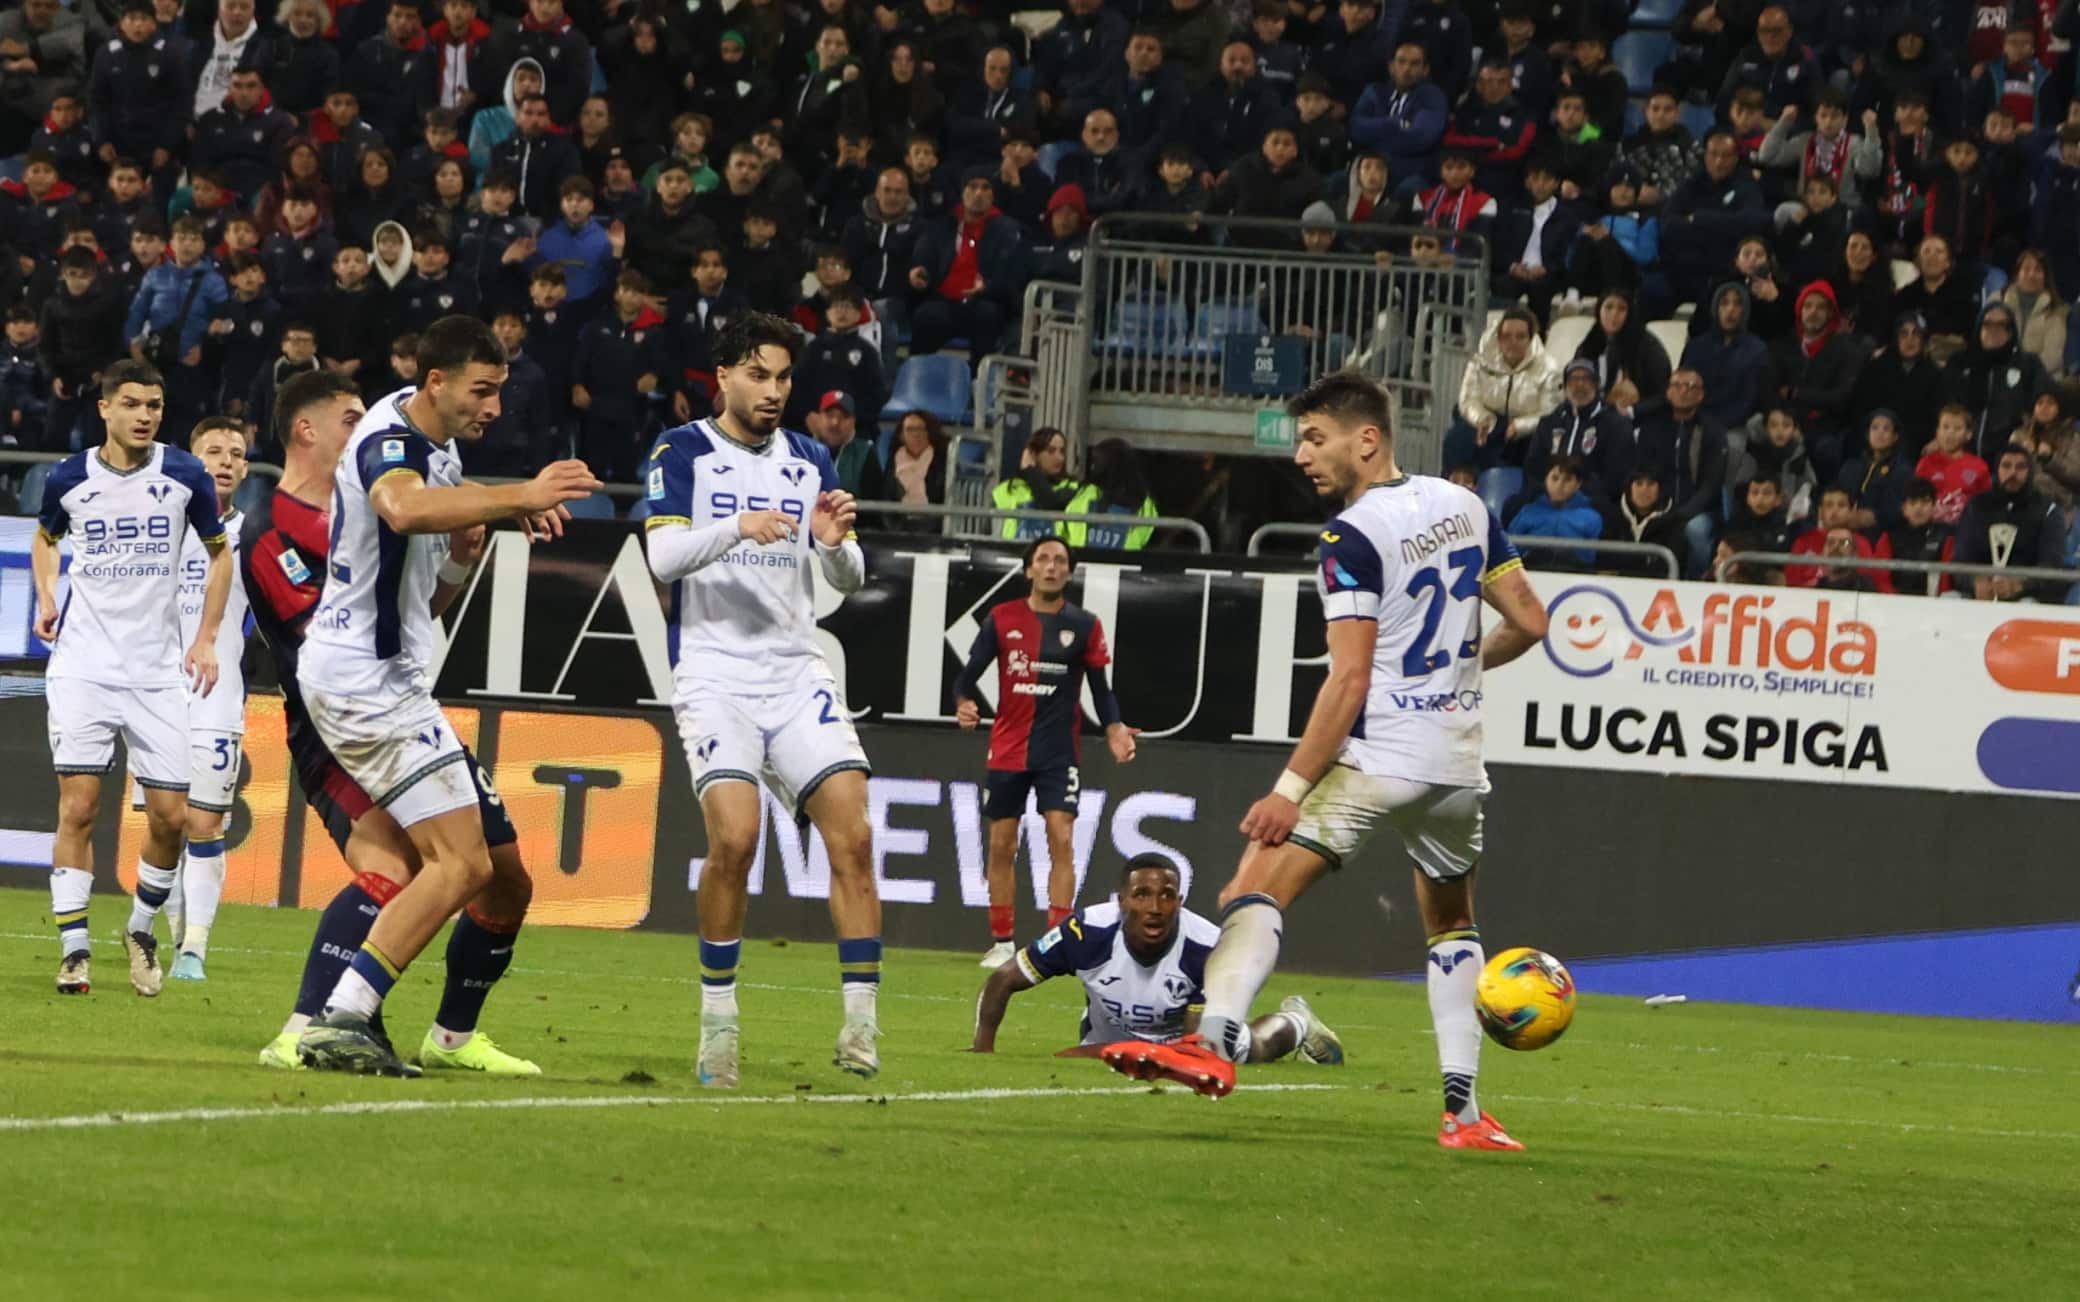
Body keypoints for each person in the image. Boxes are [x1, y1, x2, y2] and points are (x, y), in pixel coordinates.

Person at [1099, 370, 1550, 1153]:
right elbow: (1532, 622)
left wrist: (1289, 789)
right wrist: (1453, 675)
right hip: (1456, 763)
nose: (1301, 455)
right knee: (1450, 924)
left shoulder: (1350, 536)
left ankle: (1212, 1041)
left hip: (1381, 757)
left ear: (1366, 439)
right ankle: (1464, 1113)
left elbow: (1347, 680)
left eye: (1315, 438)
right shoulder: (1468, 506)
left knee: (1251, 885)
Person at [292, 318, 600, 1075]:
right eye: (482, 390)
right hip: (367, 684)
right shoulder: (387, 443)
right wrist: (514, 494)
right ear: (437, 383)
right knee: (460, 866)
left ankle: (450, 1036)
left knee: (502, 873)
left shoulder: (438, 447)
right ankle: (339, 1018)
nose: (494, 406)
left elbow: (430, 599)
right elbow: (400, 506)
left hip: (392, 680)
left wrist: (477, 540)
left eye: (500, 390)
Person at [247, 370, 541, 1074]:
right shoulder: (269, 528)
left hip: (403, 703)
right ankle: (307, 1025)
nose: (366, 431)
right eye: (349, 419)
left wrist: (459, 565)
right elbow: (329, 637)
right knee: (395, 867)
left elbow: (413, 615)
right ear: (306, 431)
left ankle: (453, 1036)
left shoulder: (365, 517)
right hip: (339, 724)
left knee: (506, 879)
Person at [641, 311, 882, 1088]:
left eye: (782, 376)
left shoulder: (814, 457)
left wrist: (836, 543)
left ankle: (860, 1028)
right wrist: (739, 527)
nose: (774, 390)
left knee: (853, 839)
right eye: (758, 374)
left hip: (795, 671)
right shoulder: (682, 451)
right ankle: (718, 1027)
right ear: (723, 377)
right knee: (736, 843)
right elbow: (665, 555)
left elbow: (848, 576)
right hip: (714, 674)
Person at [34, 360, 231, 996]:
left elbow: (219, 553)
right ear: (105, 410)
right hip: (84, 667)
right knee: (80, 807)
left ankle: (141, 929)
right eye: (132, 404)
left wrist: (204, 637)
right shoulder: (68, 477)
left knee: (172, 817)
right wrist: (45, 596)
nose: (144, 414)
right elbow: (45, 537)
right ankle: (74, 950)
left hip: (154, 672)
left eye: (154, 404)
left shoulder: (184, 474)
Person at [970, 853, 1343, 1066]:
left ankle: (1296, 1021)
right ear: (1121, 902)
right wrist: (982, 1053)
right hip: (1109, 1036)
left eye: (1167, 896)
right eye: (1142, 895)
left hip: (1187, 1041)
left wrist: (1097, 1053)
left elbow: (1195, 1051)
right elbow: (1003, 979)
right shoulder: (1086, 932)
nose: (1154, 908)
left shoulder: (1206, 948)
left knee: (1255, 1048)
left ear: (1180, 902)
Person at [954, 535, 1138, 966]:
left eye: (1060, 560)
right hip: (1008, 749)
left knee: (1062, 838)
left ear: (1069, 573)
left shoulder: (1086, 625)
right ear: (1029, 570)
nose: (1052, 566)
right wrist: (963, 704)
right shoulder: (1002, 619)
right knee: (1002, 844)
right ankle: (1002, 943)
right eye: (1044, 559)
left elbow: (1101, 690)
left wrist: (1114, 729)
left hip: (1058, 752)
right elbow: (966, 678)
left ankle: (1057, 943)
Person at [154, 417, 251, 980]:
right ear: (190, 459)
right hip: (158, 696)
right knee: (165, 824)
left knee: (206, 825)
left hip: (218, 696)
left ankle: (194, 948)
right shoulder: (163, 529)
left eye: (236, 453)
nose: (225, 461)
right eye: (213, 450)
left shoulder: (254, 536)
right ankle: (163, 938)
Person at [1955, 445, 2067, 600]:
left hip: (2028, 597)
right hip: (1979, 596)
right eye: (2006, 466)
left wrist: (2021, 585)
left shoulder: (2048, 510)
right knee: (1950, 599)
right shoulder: (1976, 506)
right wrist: (1974, 582)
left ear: (2030, 472)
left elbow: (2053, 565)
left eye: (2020, 467)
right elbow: (1960, 559)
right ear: (1997, 470)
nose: (2013, 473)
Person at [992, 426, 1079, 540]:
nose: (1060, 458)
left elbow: (1050, 502)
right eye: (1051, 451)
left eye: (1062, 451)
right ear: (1033, 454)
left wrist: (1030, 472)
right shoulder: (1006, 490)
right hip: (1013, 554)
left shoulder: (1072, 487)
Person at [806, 391, 885, 499]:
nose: (835, 422)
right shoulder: (802, 450)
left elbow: (875, 505)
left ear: (853, 422)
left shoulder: (865, 452)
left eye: (843, 417)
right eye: (830, 415)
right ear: (818, 418)